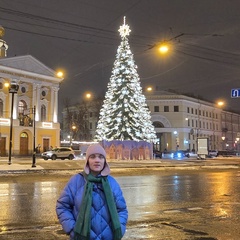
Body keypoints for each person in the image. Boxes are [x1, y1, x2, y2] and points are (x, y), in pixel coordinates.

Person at [56, 143, 128, 240]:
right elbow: (62, 206)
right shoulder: (76, 181)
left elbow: (122, 210)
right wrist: (73, 229)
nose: (97, 160)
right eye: (93, 157)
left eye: (101, 157)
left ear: (104, 161)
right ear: (87, 160)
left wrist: (120, 228)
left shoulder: (112, 183)